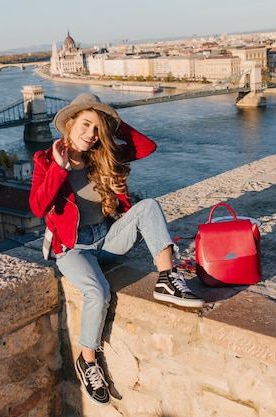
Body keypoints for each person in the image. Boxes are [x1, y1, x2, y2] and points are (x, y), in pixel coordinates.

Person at [29, 93, 204, 406]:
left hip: (107, 240)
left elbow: (147, 146)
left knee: (148, 206)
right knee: (98, 293)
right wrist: (59, 167)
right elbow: (38, 206)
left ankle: (167, 277)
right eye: (86, 124)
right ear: (69, 125)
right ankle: (89, 360)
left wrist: (111, 124)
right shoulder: (46, 159)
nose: (91, 134)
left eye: (97, 129)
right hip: (73, 249)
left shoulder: (102, 155)